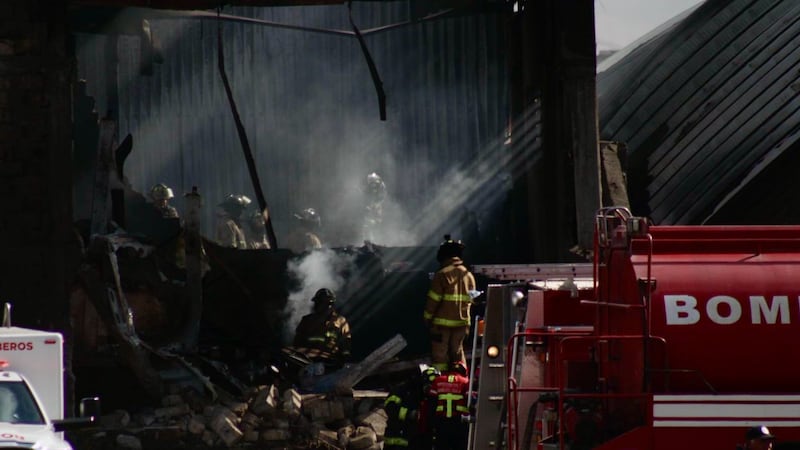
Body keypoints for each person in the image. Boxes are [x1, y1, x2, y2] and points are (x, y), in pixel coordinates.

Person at [423, 235, 477, 371]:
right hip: (462, 324)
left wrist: (427, 319)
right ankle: (461, 384)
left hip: (441, 325)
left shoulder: (442, 275)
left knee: (440, 355)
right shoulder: (468, 275)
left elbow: (433, 300)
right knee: (458, 354)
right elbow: (473, 299)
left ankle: (441, 384)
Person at [383, 366, 437, 450]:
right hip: (396, 439)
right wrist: (410, 414)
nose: (430, 391)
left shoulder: (426, 395)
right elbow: (390, 408)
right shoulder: (401, 390)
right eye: (428, 387)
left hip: (415, 440)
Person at [293, 288, 351, 364]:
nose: (317, 305)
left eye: (320, 302)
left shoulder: (340, 321)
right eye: (317, 302)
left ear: (329, 304)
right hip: (308, 360)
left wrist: (345, 359)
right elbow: (297, 342)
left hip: (331, 361)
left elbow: (346, 342)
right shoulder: (307, 320)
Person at [429, 361, 470, 450]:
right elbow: (470, 402)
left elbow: (431, 403)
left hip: (442, 423)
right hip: (459, 423)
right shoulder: (466, 382)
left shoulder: (438, 381)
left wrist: (433, 422)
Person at [362, 172, 386, 243]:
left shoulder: (381, 187)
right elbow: (365, 196)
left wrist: (377, 204)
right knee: (367, 224)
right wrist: (367, 205)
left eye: (375, 183)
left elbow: (382, 196)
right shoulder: (368, 188)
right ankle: (368, 240)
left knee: (376, 222)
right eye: (372, 183)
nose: (374, 186)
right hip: (370, 205)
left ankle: (376, 240)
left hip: (376, 204)